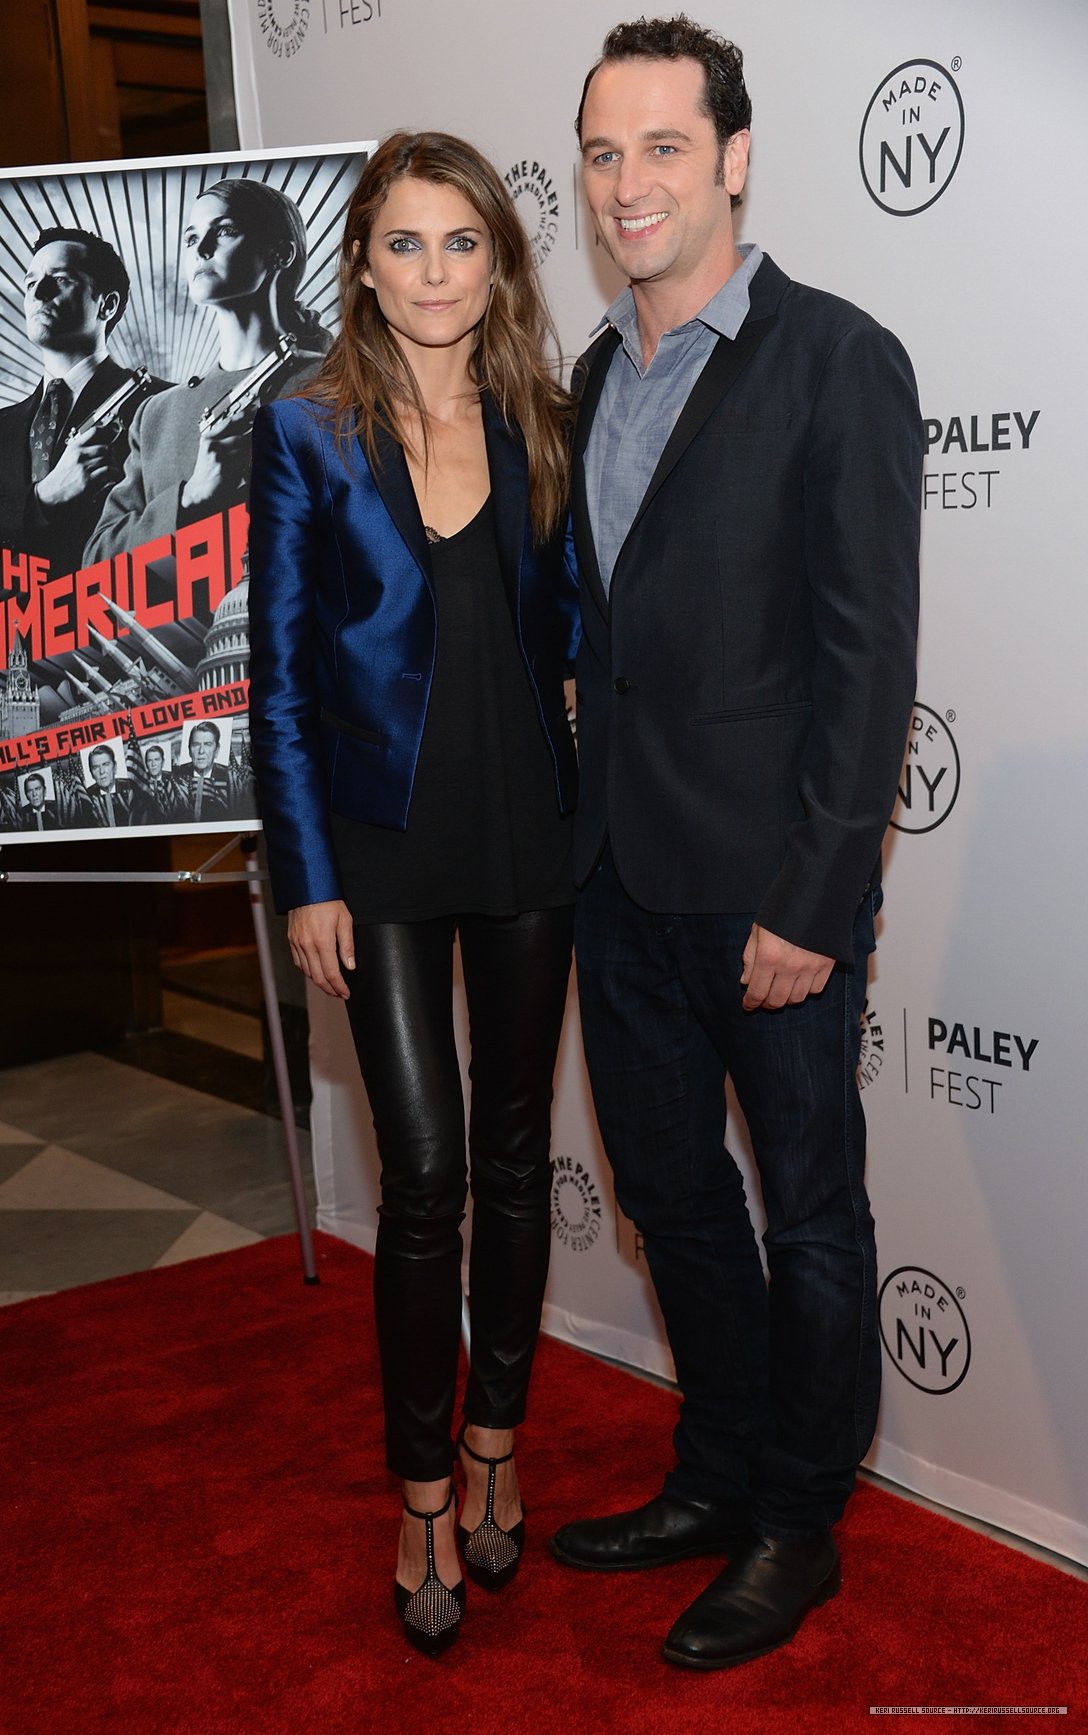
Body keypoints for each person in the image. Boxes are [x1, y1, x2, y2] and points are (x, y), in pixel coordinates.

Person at [548, 16, 922, 1671]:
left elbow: (869, 660)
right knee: (673, 1198)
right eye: (605, 153)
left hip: (772, 898)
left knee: (813, 1217)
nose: (631, 185)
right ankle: (713, 1468)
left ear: (736, 157)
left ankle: (796, 1522)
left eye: (664, 149)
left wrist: (819, 899)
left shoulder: (836, 358)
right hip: (618, 884)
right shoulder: (589, 374)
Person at [247, 132, 579, 1657]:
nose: (435, 271)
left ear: (499, 260)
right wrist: (304, 875)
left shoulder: (540, 420)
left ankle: (501, 1435)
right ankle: (423, 1485)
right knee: (427, 1175)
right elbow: (281, 687)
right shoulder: (305, 430)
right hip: (377, 851)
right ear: (363, 263)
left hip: (526, 835)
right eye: (405, 243)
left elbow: (566, 634)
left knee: (517, 1160)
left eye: (462, 243)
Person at [86, 177, 330, 564]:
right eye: (190, 237)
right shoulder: (156, 415)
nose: (201, 249)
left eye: (226, 231)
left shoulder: (339, 384)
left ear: (280, 254)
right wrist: (192, 496)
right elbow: (98, 561)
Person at [0, 227, 160, 591]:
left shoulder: (161, 405)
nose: (38, 291)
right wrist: (43, 498)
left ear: (107, 305)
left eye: (60, 279)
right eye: (30, 281)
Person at [170, 720, 236, 822]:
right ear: (189, 750)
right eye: (196, 745)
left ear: (217, 750)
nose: (201, 751)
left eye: (208, 744)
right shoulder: (175, 776)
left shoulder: (231, 779)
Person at [80, 742, 134, 827]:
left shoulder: (131, 788)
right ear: (91, 773)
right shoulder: (86, 799)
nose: (102, 771)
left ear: (115, 767)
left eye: (105, 764)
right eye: (96, 767)